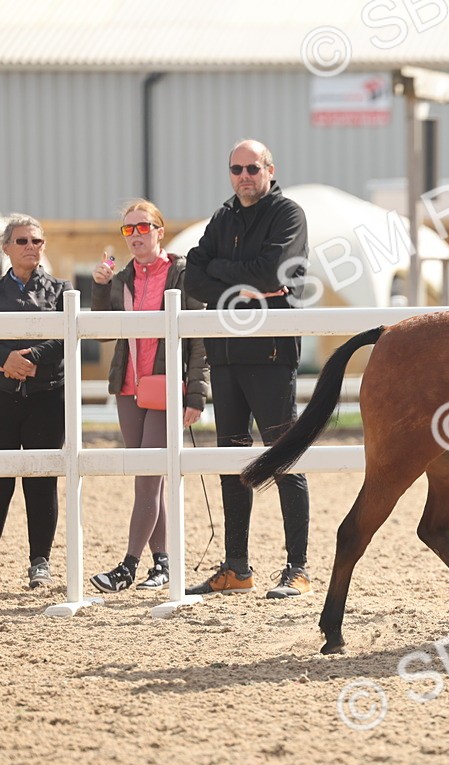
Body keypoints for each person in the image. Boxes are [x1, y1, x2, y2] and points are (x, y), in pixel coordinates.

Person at [183, 139, 311, 598]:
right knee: (230, 458)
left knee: (283, 456)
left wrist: (224, 274)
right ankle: (237, 567)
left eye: (252, 168)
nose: (244, 175)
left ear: (270, 169)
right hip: (225, 353)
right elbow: (191, 276)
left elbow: (271, 273)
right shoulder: (222, 217)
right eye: (236, 168)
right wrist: (239, 277)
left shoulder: (288, 214)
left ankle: (297, 568)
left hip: (271, 351)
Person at [88, 200, 209, 593]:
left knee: (147, 479)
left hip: (165, 387)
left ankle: (128, 566)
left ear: (159, 230)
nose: (136, 235)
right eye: (128, 229)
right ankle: (163, 564)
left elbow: (197, 336)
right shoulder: (122, 277)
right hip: (127, 387)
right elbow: (103, 332)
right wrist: (100, 287)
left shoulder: (181, 272)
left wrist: (197, 393)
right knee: (148, 481)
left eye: (143, 227)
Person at [0, 215, 69, 589]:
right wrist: (4, 361)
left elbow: (66, 333)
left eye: (37, 241)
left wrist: (31, 357)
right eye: (23, 241)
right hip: (2, 397)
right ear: (6, 247)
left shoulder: (61, 289)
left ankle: (39, 560)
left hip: (46, 397)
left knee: (42, 479)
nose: (31, 247)